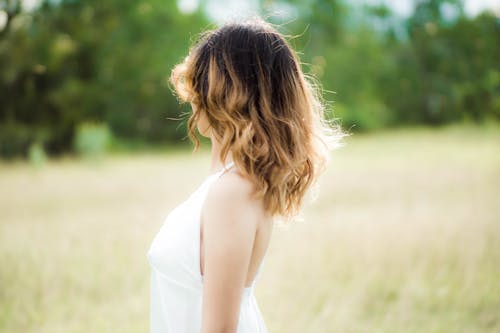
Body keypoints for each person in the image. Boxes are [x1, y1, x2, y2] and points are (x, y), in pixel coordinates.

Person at [147, 17, 342, 333]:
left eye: (203, 81)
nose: (194, 93)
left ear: (229, 93)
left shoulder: (233, 191)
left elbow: (220, 329)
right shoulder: (226, 181)